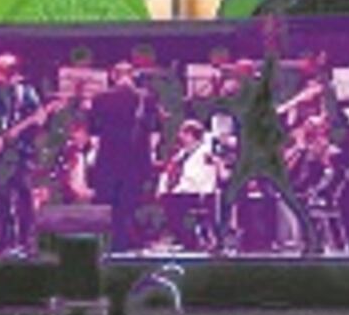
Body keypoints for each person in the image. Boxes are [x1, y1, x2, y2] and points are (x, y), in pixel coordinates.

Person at [217, 15, 321, 255]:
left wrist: (271, 40)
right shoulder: (237, 95)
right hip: (250, 153)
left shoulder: (257, 91)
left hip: (263, 153)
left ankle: (312, 239)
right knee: (231, 196)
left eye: (239, 73)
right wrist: (219, 86)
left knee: (287, 195)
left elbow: (270, 67)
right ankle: (221, 241)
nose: (235, 76)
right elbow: (222, 106)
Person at [0, 54, 48, 255]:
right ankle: (3, 240)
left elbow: (39, 118)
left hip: (22, 151)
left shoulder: (27, 93)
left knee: (24, 195)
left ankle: (25, 241)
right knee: (1, 197)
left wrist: (37, 120)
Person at [88, 62, 157, 252]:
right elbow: (153, 131)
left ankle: (111, 244)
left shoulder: (100, 98)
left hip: (108, 157)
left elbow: (93, 131)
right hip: (135, 158)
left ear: (112, 76)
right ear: (132, 75)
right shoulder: (146, 98)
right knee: (130, 202)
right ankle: (128, 243)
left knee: (110, 203)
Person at [159, 120, 223, 251]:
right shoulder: (182, 153)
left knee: (172, 203)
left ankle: (193, 239)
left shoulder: (205, 150)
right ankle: (186, 239)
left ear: (190, 134)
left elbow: (216, 162)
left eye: (182, 133)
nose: (179, 136)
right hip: (184, 190)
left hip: (200, 191)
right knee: (166, 200)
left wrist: (218, 170)